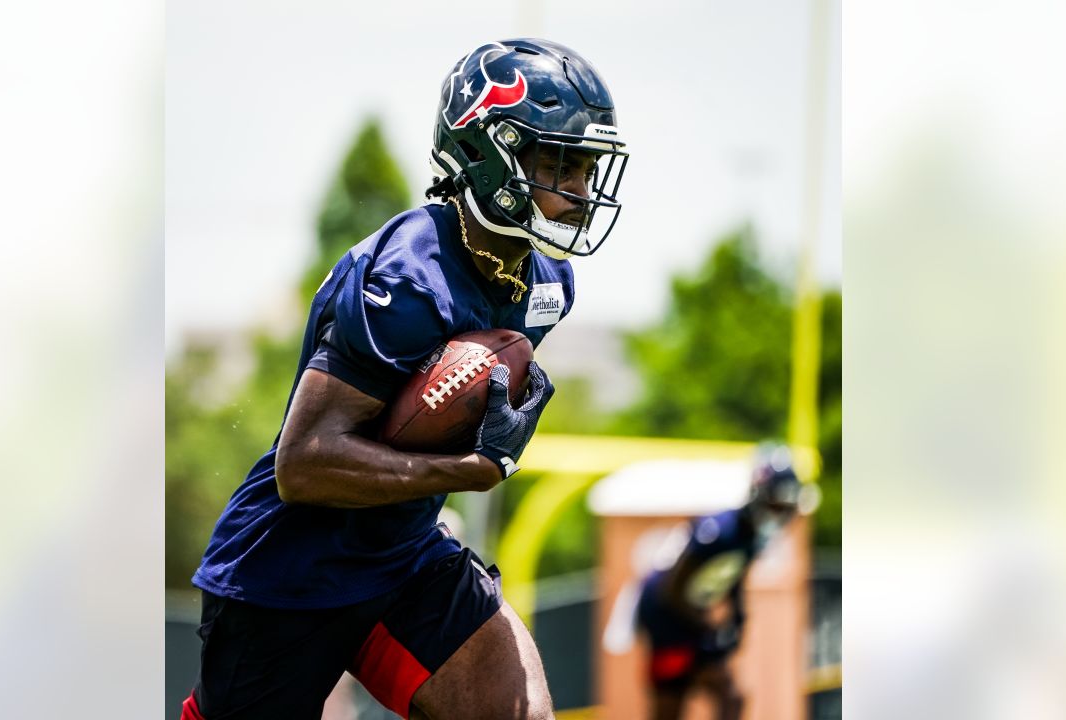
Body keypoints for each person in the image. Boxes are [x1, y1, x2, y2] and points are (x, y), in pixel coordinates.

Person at [179, 38, 628, 720]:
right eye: (559, 164)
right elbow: (303, 465)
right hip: (291, 571)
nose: (580, 191)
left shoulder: (547, 285)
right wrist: (468, 470)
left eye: (587, 168)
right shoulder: (407, 276)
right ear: (489, 154)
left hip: (404, 556)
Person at [635, 447, 804, 720]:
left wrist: (737, 618)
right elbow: (673, 587)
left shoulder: (752, 537)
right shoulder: (720, 530)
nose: (780, 513)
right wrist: (708, 630)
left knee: (731, 697)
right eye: (776, 504)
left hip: (690, 617)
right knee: (671, 704)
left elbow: (734, 579)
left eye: (785, 506)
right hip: (664, 616)